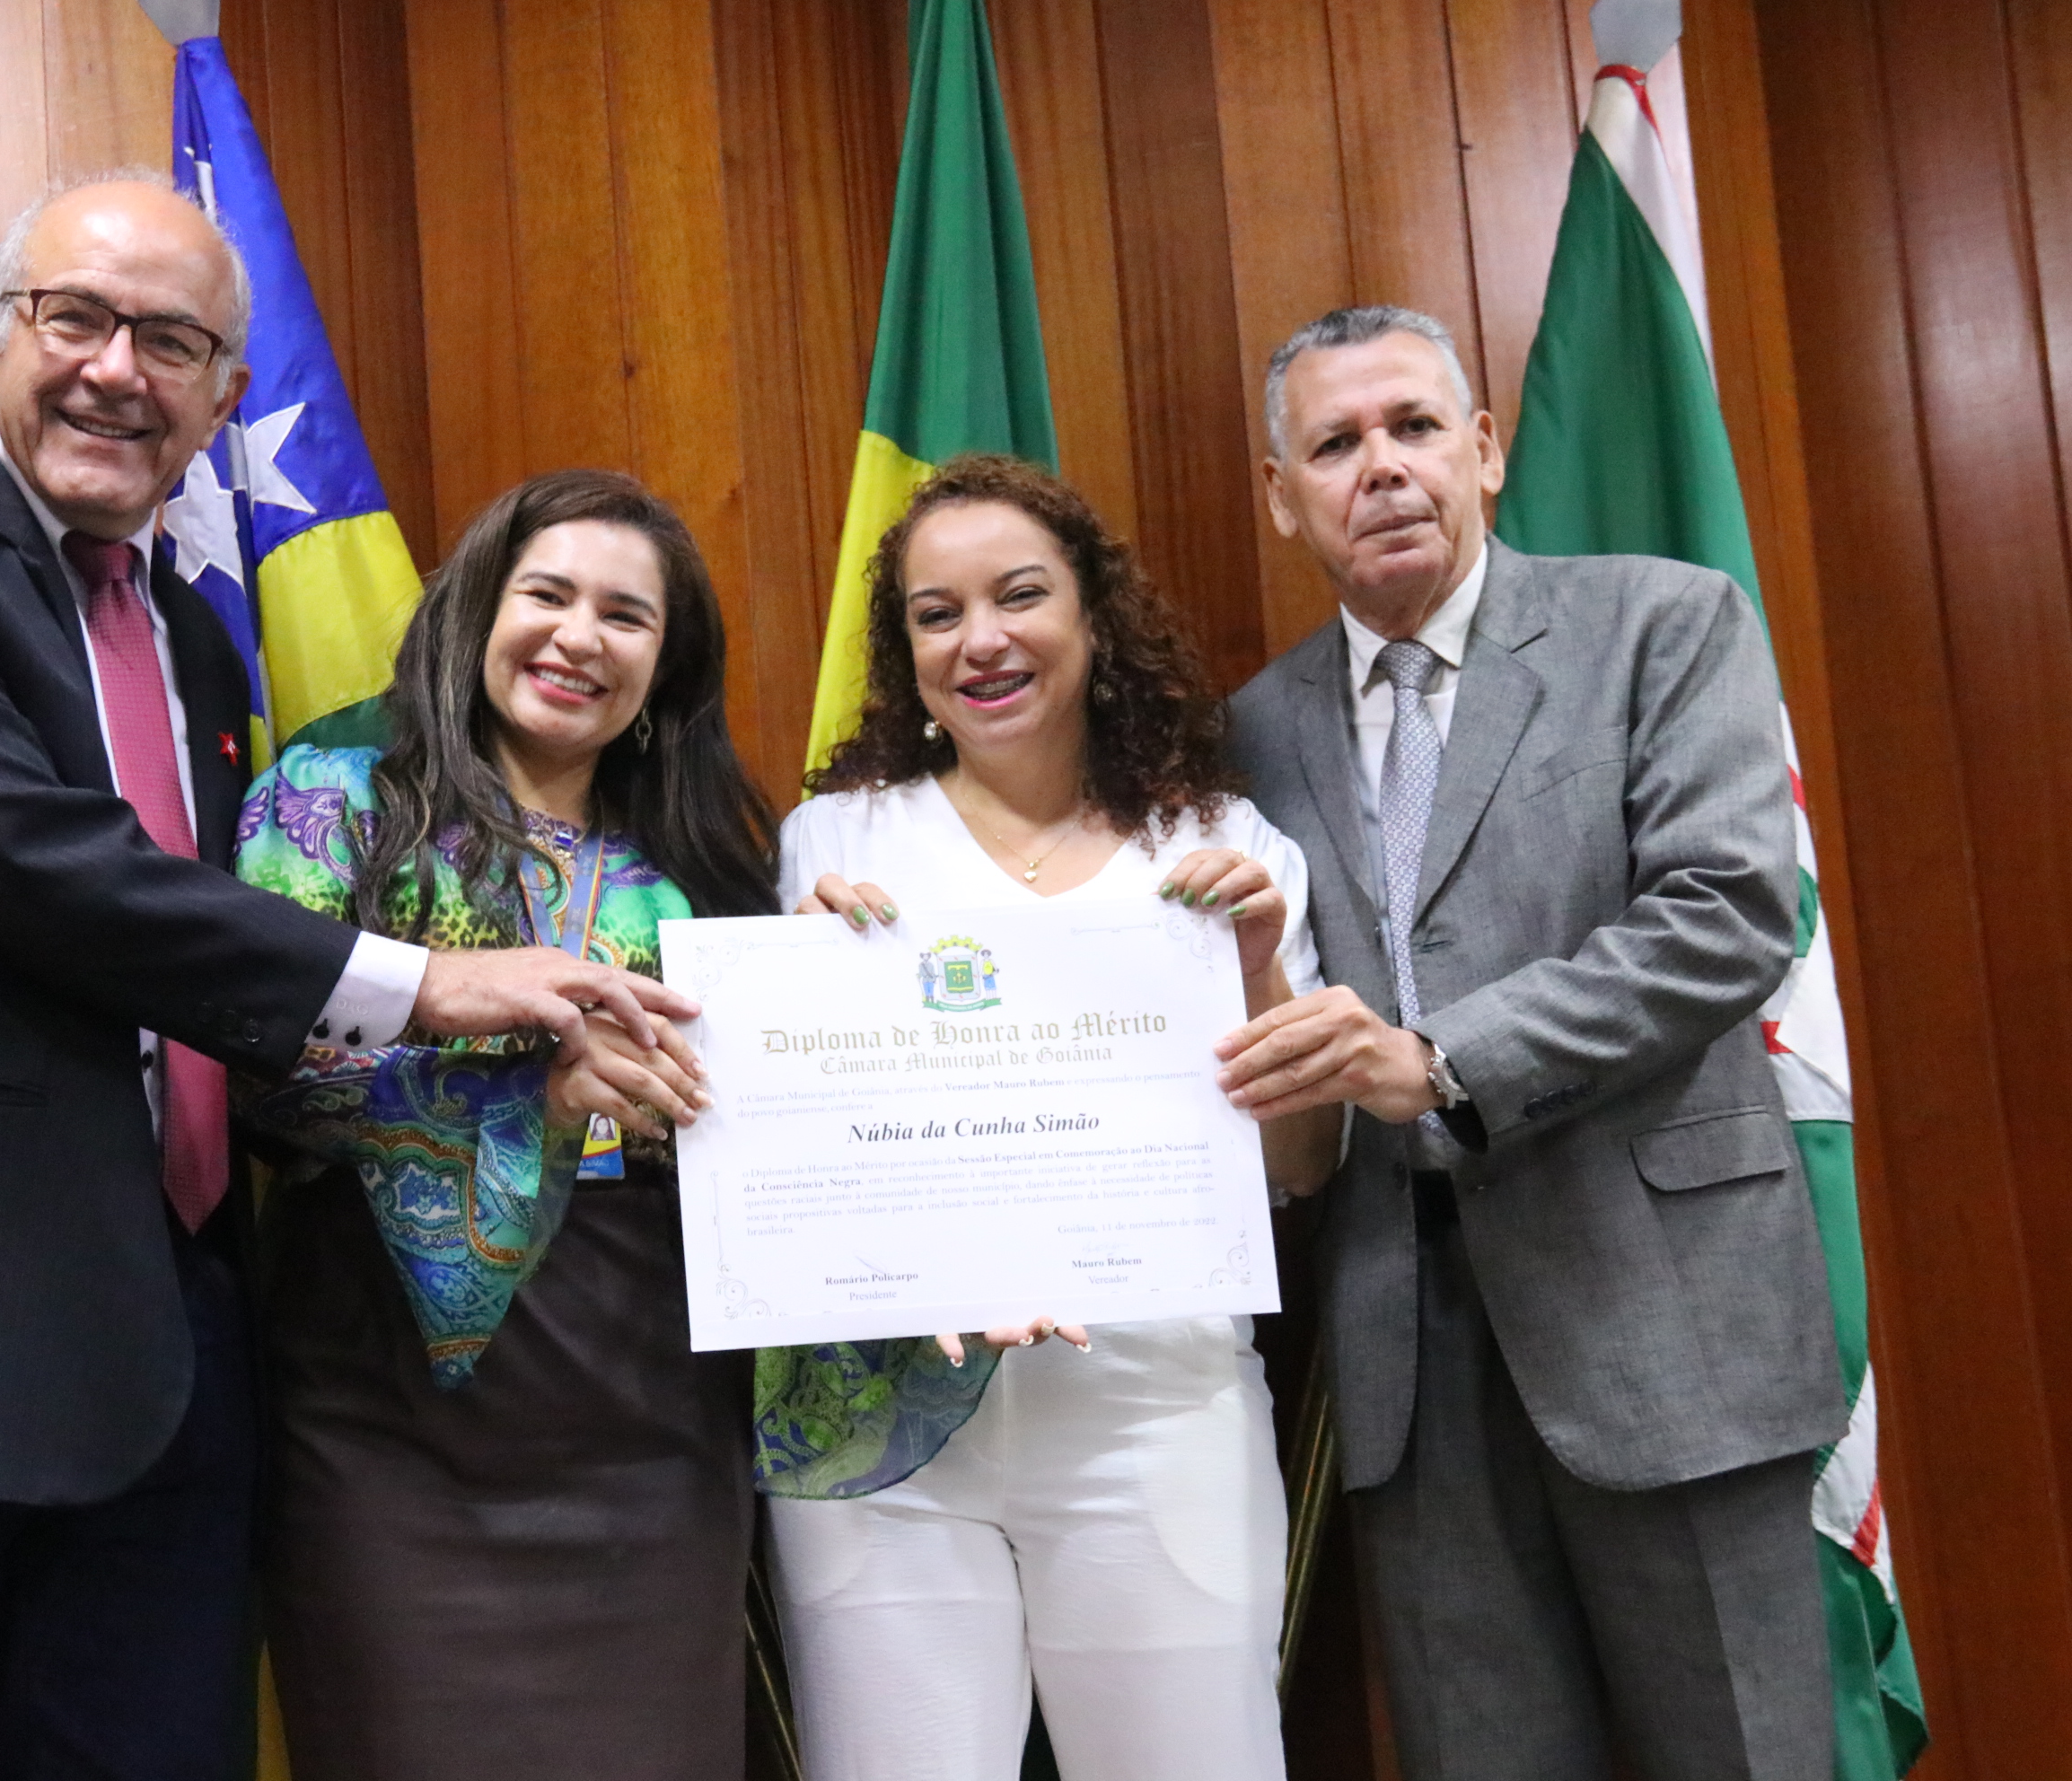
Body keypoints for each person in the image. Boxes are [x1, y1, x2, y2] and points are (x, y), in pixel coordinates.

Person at [0, 177, 694, 1781]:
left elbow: (222, 1002)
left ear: (226, 399)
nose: (117, 369)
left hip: (167, 1370)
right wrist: (426, 983)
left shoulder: (200, 651)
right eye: (75, 319)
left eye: (171, 341)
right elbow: (37, 870)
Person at [1217, 304, 1841, 1781]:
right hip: (1411, 1359)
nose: (1383, 467)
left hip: (1667, 1321)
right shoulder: (1251, 733)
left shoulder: (1662, 624)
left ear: (1486, 450)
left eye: (1415, 427)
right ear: (1283, 495)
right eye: (1337, 444)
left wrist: (1443, 1061)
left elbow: (1728, 911)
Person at [764, 455, 1341, 1781]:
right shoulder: (833, 845)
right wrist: (796, 1001)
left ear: (1093, 615)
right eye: (937, 613)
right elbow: (794, 1164)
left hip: (1153, 1411)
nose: (981, 640)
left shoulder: (1226, 848)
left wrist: (1256, 974)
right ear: (905, 650)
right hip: (885, 1435)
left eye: (1020, 596)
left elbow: (1303, 1168)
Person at [233, 468, 780, 1779]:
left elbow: (771, 1132)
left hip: (651, 1415)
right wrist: (533, 1094)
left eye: (626, 616)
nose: (580, 637)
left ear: (667, 664)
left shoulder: (702, 858)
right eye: (548, 594)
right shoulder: (335, 799)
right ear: (480, 606)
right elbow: (267, 1077)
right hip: (385, 1416)